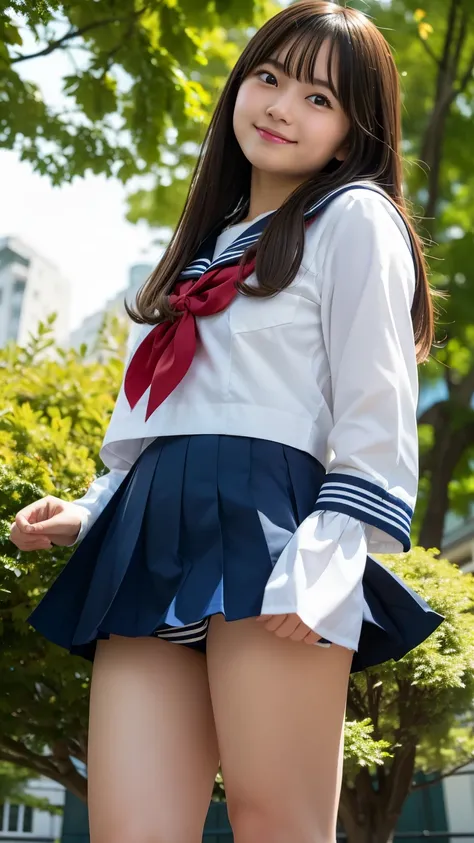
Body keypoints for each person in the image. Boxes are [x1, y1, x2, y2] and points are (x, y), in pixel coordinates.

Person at [10, 2, 444, 842]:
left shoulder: (354, 218)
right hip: (147, 533)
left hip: (277, 530)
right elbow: (154, 415)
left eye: (319, 98)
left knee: (275, 823)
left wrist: (329, 555)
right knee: (129, 829)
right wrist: (93, 509)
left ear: (355, 134)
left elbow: (376, 409)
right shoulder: (197, 250)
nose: (281, 106)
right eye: (269, 77)